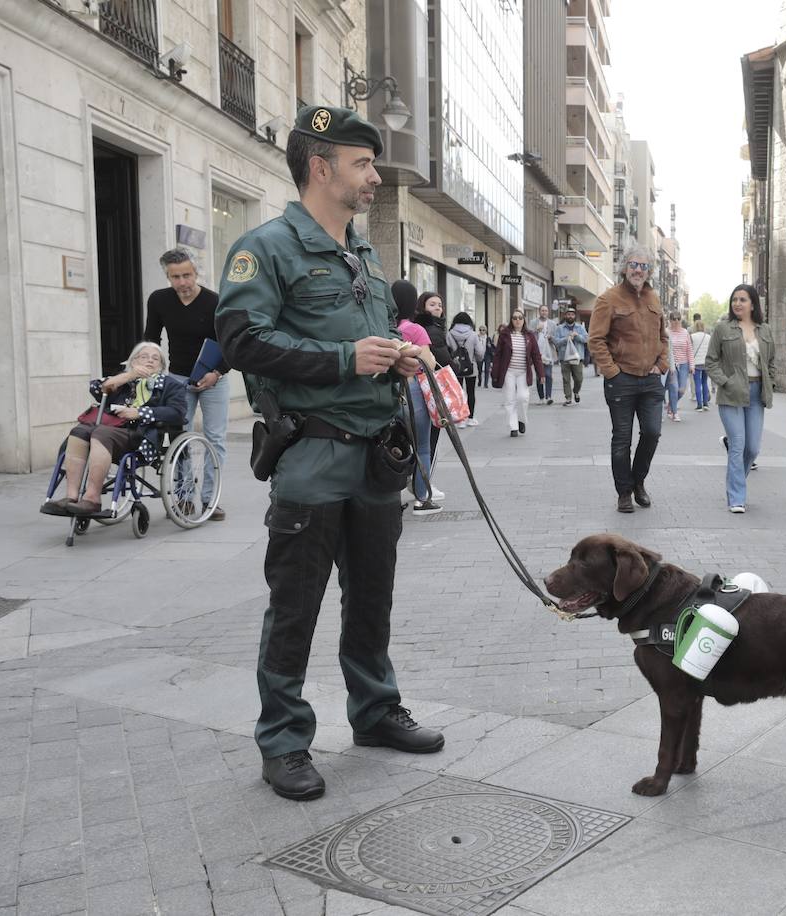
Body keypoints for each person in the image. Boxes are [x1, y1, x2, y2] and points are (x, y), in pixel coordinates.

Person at [215, 105, 445, 801]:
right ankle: (284, 741)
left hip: (377, 458)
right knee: (296, 607)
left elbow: (365, 347)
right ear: (321, 167)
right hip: (313, 458)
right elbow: (241, 341)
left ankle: (375, 711)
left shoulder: (364, 254)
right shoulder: (268, 247)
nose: (373, 176)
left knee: (372, 598)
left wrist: (395, 359)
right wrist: (346, 358)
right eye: (362, 164)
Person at [41, 342, 188, 517]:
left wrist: (139, 412)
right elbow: (96, 388)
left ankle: (92, 499)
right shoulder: (122, 380)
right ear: (133, 362)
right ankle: (71, 496)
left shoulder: (172, 385)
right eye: (144, 357)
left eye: (155, 358)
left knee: (100, 433)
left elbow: (177, 413)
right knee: (79, 431)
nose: (150, 360)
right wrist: (127, 376)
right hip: (110, 429)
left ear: (162, 366)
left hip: (139, 436)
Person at [143, 249, 229, 520]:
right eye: (175, 277)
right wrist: (150, 369)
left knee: (215, 438)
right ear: (168, 276)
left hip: (214, 377)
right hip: (178, 378)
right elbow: (151, 339)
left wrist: (217, 373)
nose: (182, 282)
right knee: (179, 437)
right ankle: (184, 498)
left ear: (196, 273)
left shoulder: (215, 302)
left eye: (187, 275)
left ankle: (208, 499)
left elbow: (231, 345)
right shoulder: (159, 300)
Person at [588, 244, 669, 513]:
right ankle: (624, 492)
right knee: (622, 438)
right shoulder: (608, 299)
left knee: (652, 432)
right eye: (634, 264)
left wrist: (662, 363)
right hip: (621, 379)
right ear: (625, 267)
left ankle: (638, 482)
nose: (638, 270)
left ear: (649, 271)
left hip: (651, 380)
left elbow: (663, 337)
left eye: (643, 266)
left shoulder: (654, 299)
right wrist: (612, 371)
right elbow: (596, 340)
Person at [707, 283, 778, 513]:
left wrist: (771, 382)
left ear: (753, 303)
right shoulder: (722, 329)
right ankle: (736, 497)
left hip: (757, 393)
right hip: (731, 394)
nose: (737, 303)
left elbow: (771, 362)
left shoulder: (765, 330)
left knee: (753, 448)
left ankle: (737, 481)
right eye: (734, 299)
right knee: (738, 445)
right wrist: (725, 381)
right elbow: (711, 361)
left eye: (742, 299)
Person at [393, 280, 441, 515]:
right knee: (422, 446)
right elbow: (429, 363)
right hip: (412, 392)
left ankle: (391, 498)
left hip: (387, 392)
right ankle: (422, 498)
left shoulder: (383, 326)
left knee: (390, 445)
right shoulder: (415, 330)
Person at [414, 291, 453, 469]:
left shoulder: (424, 327)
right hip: (431, 387)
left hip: (419, 386)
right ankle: (425, 483)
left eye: (439, 304)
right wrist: (456, 365)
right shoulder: (433, 330)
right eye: (432, 304)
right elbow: (443, 359)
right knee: (431, 439)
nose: (438, 307)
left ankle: (419, 479)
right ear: (422, 307)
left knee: (422, 438)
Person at [492, 310, 543, 437]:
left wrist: (541, 373)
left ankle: (521, 420)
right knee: (509, 399)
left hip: (523, 372)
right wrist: (495, 373)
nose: (517, 320)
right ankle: (513, 427)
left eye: (520, 318)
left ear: (524, 320)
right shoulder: (504, 335)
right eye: (515, 318)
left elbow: (536, 355)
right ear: (511, 320)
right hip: (509, 371)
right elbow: (498, 355)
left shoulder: (529, 335)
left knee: (523, 397)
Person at [445, 311, 483, 427]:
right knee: (471, 392)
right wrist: (474, 359)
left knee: (457, 393)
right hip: (471, 368)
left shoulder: (449, 334)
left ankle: (460, 419)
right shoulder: (473, 334)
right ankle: (470, 418)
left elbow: (446, 351)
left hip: (455, 368)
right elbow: (480, 353)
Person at [551, 306, 589, 405]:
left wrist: (576, 336)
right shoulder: (559, 328)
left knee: (579, 378)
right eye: (568, 314)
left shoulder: (580, 327)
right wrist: (566, 338)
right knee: (566, 379)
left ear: (574, 316)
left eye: (572, 314)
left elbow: (586, 339)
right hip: (564, 358)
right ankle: (568, 398)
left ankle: (576, 391)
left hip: (577, 357)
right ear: (565, 316)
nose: (570, 316)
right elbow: (556, 342)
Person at [665, 311, 694, 422]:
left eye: (678, 319)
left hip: (684, 364)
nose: (676, 321)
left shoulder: (685, 332)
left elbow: (689, 350)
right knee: (674, 387)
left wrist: (692, 365)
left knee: (681, 390)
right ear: (670, 320)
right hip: (671, 365)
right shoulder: (666, 332)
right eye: (673, 319)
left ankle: (670, 405)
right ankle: (674, 412)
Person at [532, 303, 557, 405]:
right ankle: (541, 396)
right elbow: (529, 336)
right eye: (542, 310)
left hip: (549, 353)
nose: (544, 312)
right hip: (538, 353)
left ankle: (548, 396)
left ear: (548, 312)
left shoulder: (552, 324)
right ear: (539, 312)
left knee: (548, 375)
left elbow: (556, 338)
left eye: (546, 311)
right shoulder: (533, 322)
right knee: (539, 376)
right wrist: (536, 331)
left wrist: (551, 338)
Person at [690, 318, 711, 411]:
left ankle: (699, 405)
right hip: (706, 363)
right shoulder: (708, 337)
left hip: (696, 363)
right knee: (705, 383)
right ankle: (706, 404)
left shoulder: (692, 336)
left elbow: (690, 350)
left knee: (697, 384)